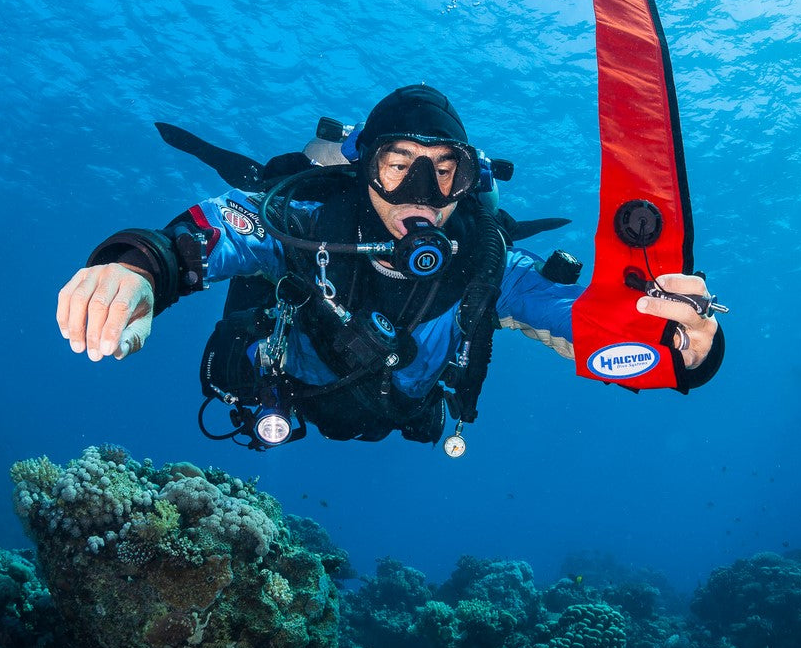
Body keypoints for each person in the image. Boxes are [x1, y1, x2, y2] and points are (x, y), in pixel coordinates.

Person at [56, 85, 723, 450]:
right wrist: (140, 265)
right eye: (396, 166)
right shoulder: (311, 221)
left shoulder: (488, 264)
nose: (420, 194)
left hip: (402, 413)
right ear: (362, 168)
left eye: (444, 172)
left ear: (468, 180)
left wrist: (674, 344)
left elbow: (579, 317)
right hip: (295, 392)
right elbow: (219, 228)